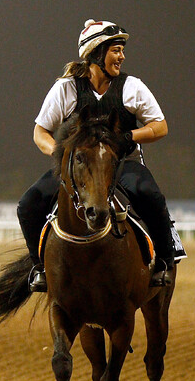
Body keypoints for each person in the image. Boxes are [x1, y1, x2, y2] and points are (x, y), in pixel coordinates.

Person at [18, 19, 177, 292]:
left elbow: (160, 127)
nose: (122, 56)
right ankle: (39, 268)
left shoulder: (133, 87)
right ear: (96, 53)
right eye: (116, 50)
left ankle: (163, 260)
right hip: (79, 169)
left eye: (121, 50)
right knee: (28, 205)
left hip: (123, 164)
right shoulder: (65, 88)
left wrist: (129, 137)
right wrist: (62, 155)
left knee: (151, 195)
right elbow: (40, 132)